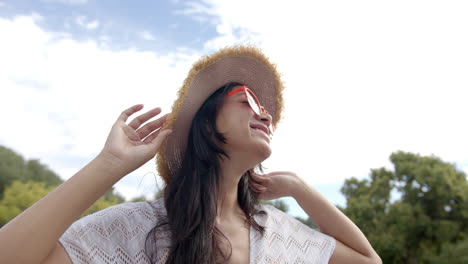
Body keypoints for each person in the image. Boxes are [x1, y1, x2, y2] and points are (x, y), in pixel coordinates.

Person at [0, 45, 382, 264]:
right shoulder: (139, 228)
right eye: (248, 99)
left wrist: (300, 189)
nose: (264, 112)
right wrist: (109, 166)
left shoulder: (279, 232)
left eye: (266, 109)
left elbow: (369, 262)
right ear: (206, 123)